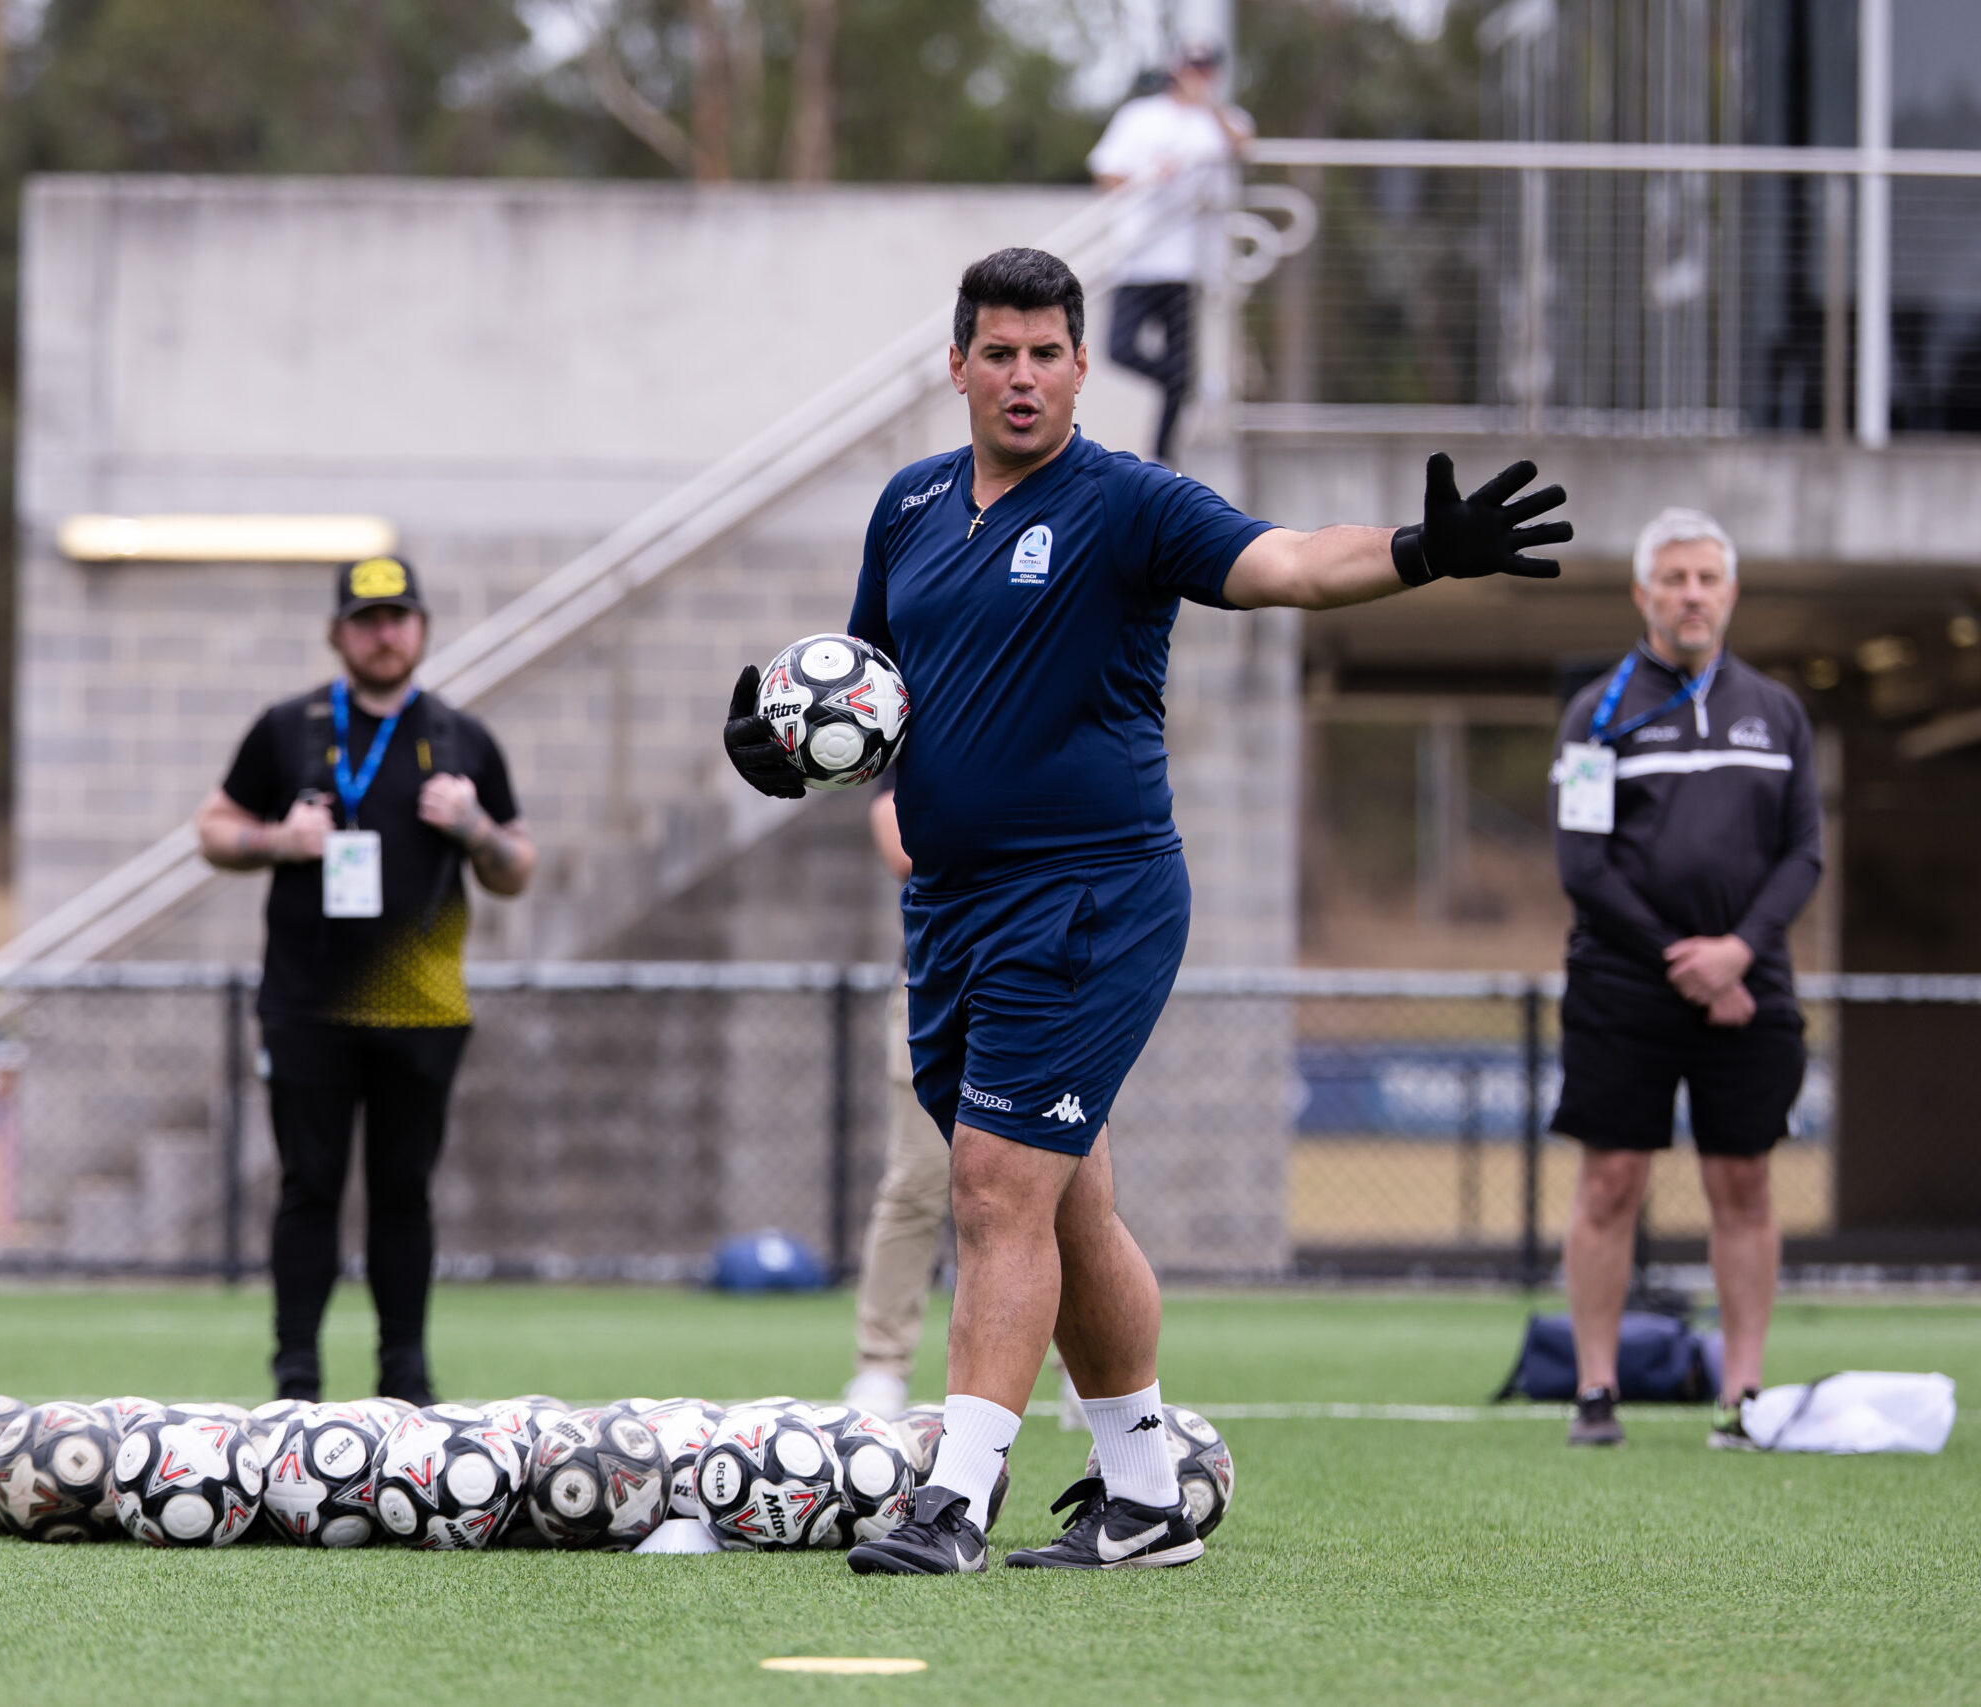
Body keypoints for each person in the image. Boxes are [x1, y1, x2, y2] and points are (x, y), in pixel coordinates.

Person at [722, 247, 1569, 1574]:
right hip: (951, 907)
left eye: (1047, 351)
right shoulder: (908, 507)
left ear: (1078, 364)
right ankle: (1146, 1488)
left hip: (1090, 896)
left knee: (994, 1185)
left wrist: (1417, 551)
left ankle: (952, 1500)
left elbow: (1285, 561)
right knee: (1062, 1203)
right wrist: (797, 745)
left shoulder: (1128, 503)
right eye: (997, 351)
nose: (1022, 375)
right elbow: (869, 691)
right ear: (957, 365)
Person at [195, 555, 536, 1406]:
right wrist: (277, 840)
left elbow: (518, 866)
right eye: (368, 619)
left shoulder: (462, 738)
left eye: (399, 617)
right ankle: (296, 1376)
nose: (385, 634)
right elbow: (212, 827)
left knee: (404, 1192)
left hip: (423, 1008)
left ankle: (404, 1377)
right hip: (306, 1004)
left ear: (421, 627)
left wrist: (476, 826)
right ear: (338, 632)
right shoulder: (289, 727)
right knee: (308, 1186)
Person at [1549, 508, 1819, 1451]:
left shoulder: (1779, 712)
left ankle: (1741, 1397)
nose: (1692, 594)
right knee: (1611, 1181)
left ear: (1730, 591)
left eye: (1707, 577)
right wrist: (1688, 963)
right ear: (1643, 593)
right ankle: (1594, 1390)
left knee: (1742, 1182)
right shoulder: (1597, 711)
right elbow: (1583, 865)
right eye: (1674, 578)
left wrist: (1738, 954)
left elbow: (1803, 855)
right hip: (1624, 989)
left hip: (1753, 987)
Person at [1085, 41, 1254, 464]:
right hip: (1140, 256)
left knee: (1178, 367)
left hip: (1190, 263)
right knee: (1120, 348)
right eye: (1192, 67)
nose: (1199, 75)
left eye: (1206, 67)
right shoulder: (1139, 116)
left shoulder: (1222, 119)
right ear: (1176, 69)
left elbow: (1243, 145)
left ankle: (1163, 455)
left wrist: (1208, 106)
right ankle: (1191, 384)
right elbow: (1106, 172)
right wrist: (1151, 176)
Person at [840, 780, 947, 1423]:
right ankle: (881, 1364)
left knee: (1060, 1189)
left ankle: (1087, 1371)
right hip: (933, 981)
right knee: (918, 1181)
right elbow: (898, 840)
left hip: (1044, 975)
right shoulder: (920, 694)